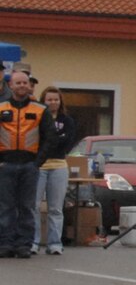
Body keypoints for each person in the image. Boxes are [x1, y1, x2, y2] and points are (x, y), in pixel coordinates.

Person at [0, 69, 46, 258]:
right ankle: (5, 243)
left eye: (24, 83)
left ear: (29, 86)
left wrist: (38, 162)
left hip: (29, 165)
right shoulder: (1, 108)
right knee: (5, 206)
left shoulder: (40, 110)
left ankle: (24, 245)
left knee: (27, 207)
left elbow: (49, 138)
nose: (21, 86)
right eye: (18, 83)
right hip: (5, 164)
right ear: (10, 85)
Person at [34, 86, 83, 255]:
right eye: (49, 99)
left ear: (60, 101)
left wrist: (52, 140)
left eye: (56, 99)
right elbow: (37, 141)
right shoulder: (38, 118)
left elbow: (67, 142)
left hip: (59, 166)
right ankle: (33, 242)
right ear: (43, 101)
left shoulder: (67, 120)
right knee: (34, 206)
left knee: (56, 208)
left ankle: (54, 243)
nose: (53, 102)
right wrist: (54, 139)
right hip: (39, 166)